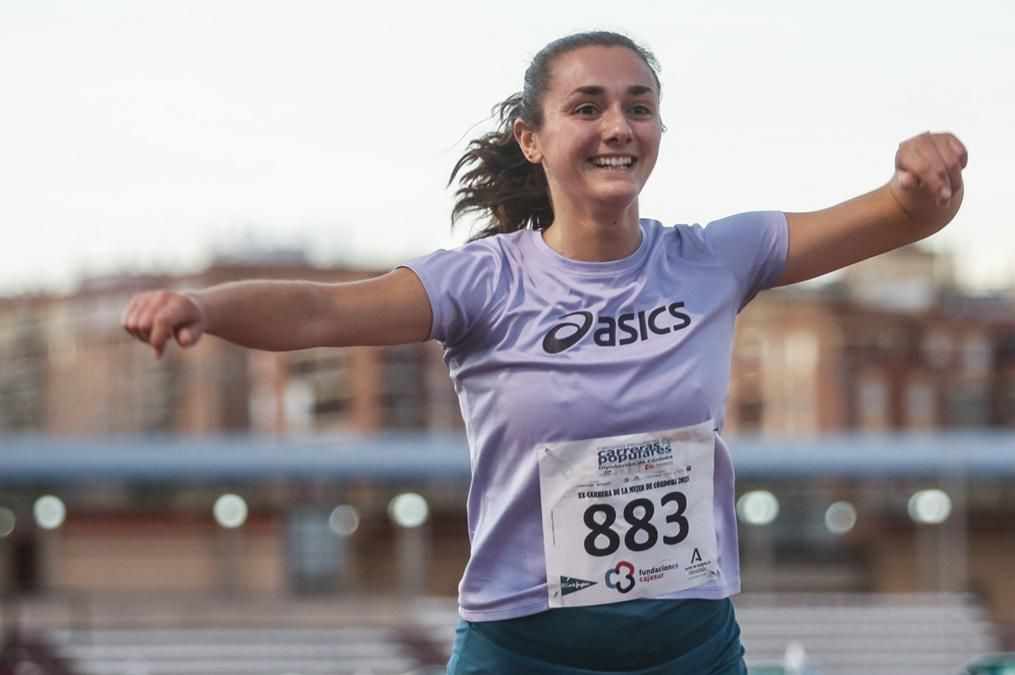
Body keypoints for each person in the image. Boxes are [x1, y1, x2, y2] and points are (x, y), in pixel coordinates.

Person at [122, 30, 966, 675]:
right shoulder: (484, 282)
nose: (618, 126)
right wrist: (204, 305)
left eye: (639, 107)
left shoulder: (716, 258)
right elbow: (317, 311)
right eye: (588, 107)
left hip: (689, 647)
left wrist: (919, 182)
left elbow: (901, 215)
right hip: (522, 650)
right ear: (532, 138)